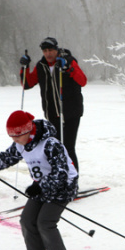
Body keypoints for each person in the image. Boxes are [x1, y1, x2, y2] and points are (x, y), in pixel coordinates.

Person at [0, 111, 79, 250]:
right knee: (26, 220)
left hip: (63, 187)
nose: (14, 140)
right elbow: (9, 156)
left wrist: (41, 187)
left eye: (17, 136)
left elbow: (61, 173)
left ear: (27, 131)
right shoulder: (21, 144)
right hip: (40, 187)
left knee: (45, 222)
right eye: (11, 137)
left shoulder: (50, 144)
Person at [20, 37, 87, 171]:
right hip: (52, 114)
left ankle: (72, 180)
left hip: (70, 112)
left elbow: (83, 81)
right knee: (55, 148)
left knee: (67, 147)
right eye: (45, 51)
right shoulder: (41, 66)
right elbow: (27, 84)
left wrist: (69, 68)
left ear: (56, 50)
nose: (48, 54)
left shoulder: (68, 61)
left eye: (50, 50)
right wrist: (24, 67)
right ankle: (59, 178)